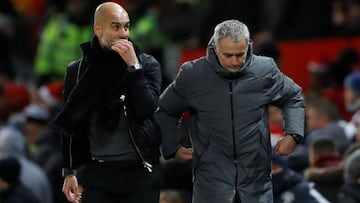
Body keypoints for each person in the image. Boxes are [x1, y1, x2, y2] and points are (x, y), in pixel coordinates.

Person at [156, 19, 305, 203]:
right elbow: (165, 109)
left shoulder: (264, 70)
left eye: (240, 54)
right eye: (228, 55)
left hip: (256, 184)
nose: (235, 61)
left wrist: (293, 134)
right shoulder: (193, 74)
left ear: (248, 46)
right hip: (211, 185)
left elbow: (293, 97)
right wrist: (171, 148)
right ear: (215, 48)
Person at [52, 2, 162, 203]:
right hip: (97, 174)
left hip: (140, 172)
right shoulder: (77, 71)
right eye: (115, 26)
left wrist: (134, 68)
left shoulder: (146, 64)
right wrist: (69, 171)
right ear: (98, 29)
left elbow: (147, 110)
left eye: (126, 27)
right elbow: (71, 124)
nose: (123, 33)